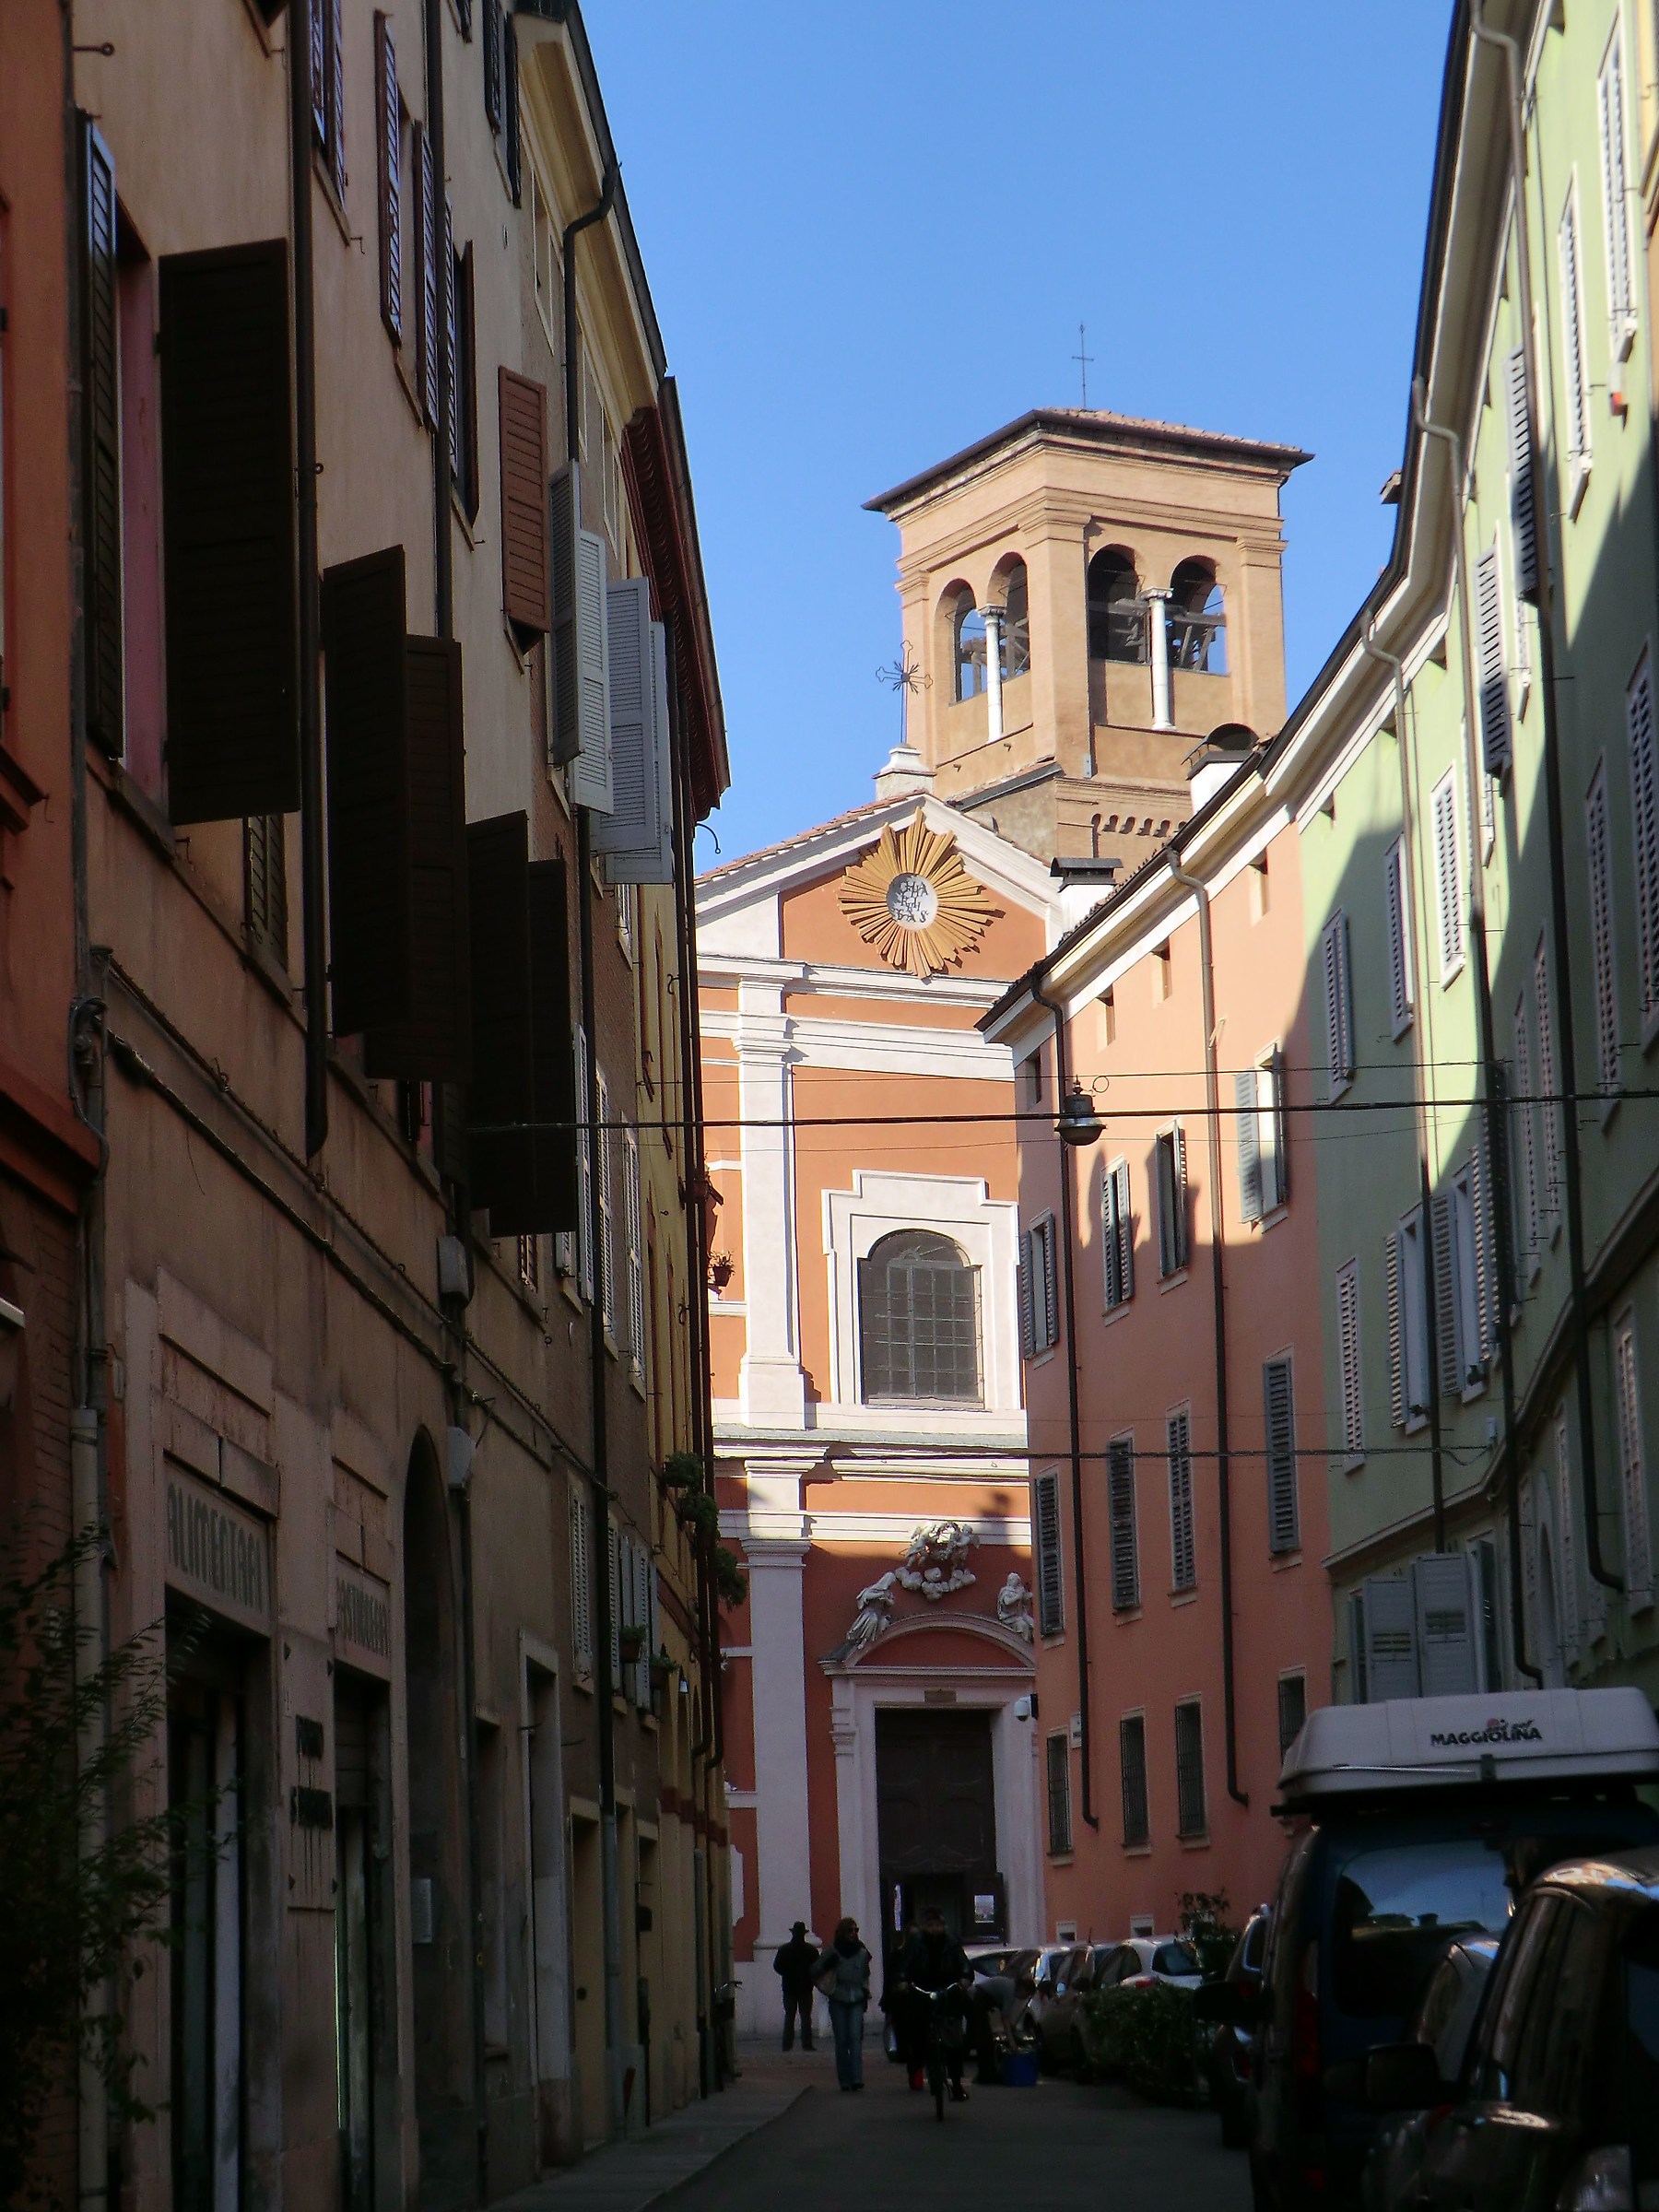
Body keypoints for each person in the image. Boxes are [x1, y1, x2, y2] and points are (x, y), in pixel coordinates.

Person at [895, 1907, 972, 2100]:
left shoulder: (952, 1943)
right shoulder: (916, 1943)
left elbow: (964, 1964)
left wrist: (964, 1978)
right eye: (930, 1925)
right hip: (922, 1992)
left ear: (944, 1926)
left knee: (953, 2040)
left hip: (947, 1993)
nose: (934, 1929)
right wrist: (903, 1981)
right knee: (917, 2031)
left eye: (938, 1925)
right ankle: (917, 2064)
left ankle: (956, 2084)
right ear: (924, 1927)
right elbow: (904, 1965)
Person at [820, 1916, 874, 2090]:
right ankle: (844, 2079)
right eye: (850, 1930)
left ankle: (857, 2077)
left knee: (855, 2038)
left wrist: (866, 1992)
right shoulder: (833, 1951)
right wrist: (826, 1986)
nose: (853, 1934)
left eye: (855, 1930)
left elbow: (866, 1974)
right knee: (842, 2040)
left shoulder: (862, 1952)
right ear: (842, 1932)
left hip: (857, 1997)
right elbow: (815, 1969)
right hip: (838, 1997)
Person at [773, 1920, 818, 2052]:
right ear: (804, 1934)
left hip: (789, 1987)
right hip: (805, 1987)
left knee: (789, 2017)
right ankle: (807, 2044)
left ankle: (787, 2045)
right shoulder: (811, 1950)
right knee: (805, 2017)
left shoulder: (784, 1950)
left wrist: (787, 1973)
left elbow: (777, 1967)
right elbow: (817, 1968)